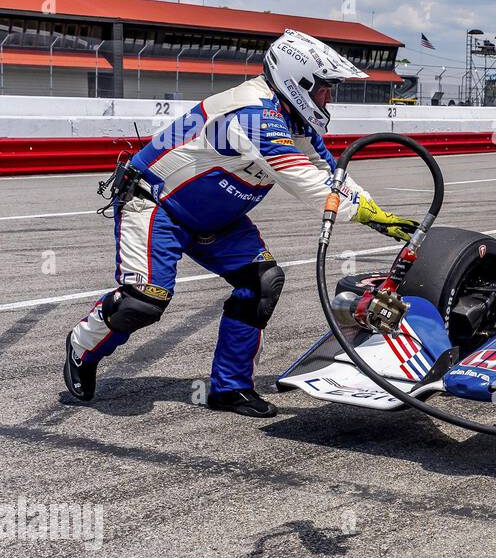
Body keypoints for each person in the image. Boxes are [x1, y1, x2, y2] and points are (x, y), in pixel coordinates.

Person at [63, 29, 417, 417]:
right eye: (324, 87)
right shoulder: (253, 113)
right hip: (156, 204)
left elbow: (329, 173)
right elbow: (305, 180)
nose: (328, 97)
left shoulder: (293, 118)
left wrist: (379, 213)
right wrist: (366, 214)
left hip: (217, 218)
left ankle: (229, 388)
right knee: (144, 301)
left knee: (261, 283)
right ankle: (82, 346)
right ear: (298, 82)